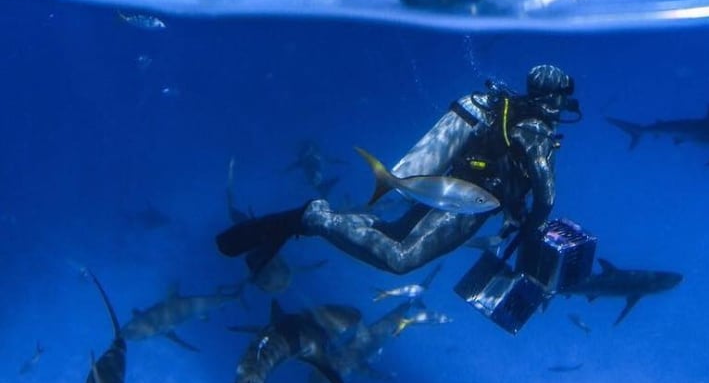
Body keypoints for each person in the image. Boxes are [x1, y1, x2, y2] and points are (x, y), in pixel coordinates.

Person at [216, 65, 581, 275]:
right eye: (562, 96)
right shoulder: (535, 132)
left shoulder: (507, 111)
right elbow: (546, 197)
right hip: (466, 205)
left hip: (449, 188)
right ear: (553, 97)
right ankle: (317, 218)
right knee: (400, 259)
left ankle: (307, 221)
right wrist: (532, 227)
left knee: (389, 232)